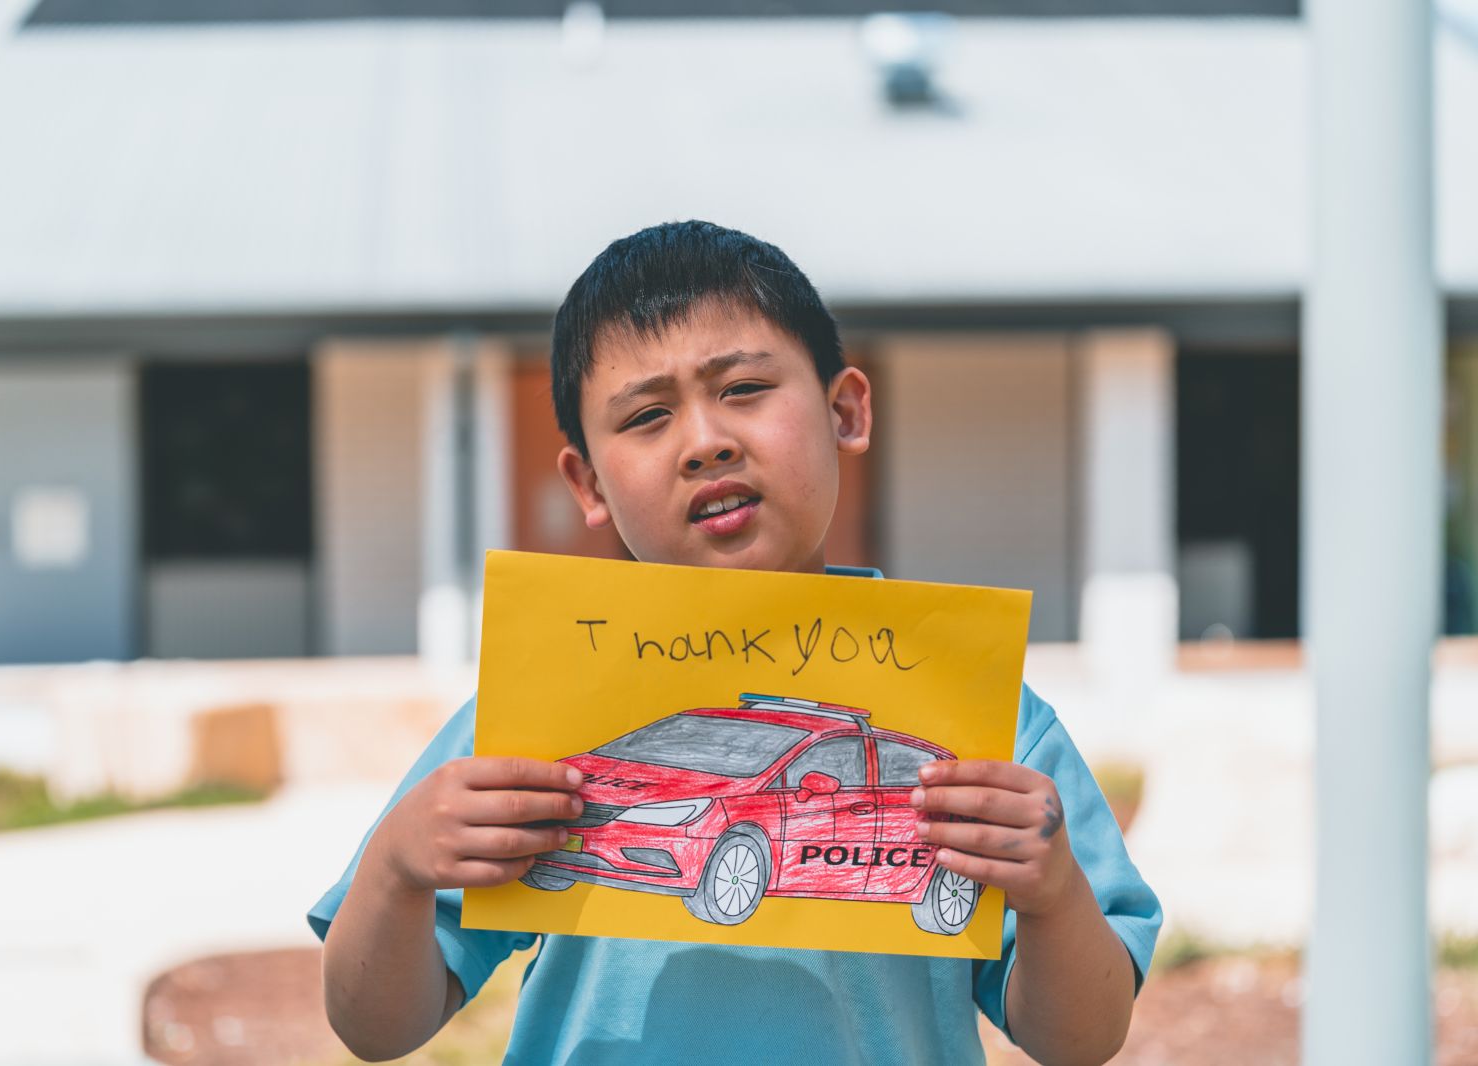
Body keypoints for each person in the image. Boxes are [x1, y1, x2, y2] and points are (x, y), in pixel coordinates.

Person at [309, 220, 1161, 1065]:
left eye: (745, 389)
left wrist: (1051, 897)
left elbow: (1082, 1040)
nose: (705, 441)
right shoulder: (532, 715)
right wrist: (396, 869)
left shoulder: (985, 721)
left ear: (845, 411)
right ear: (588, 483)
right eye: (647, 415)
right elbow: (375, 1028)